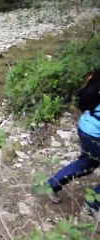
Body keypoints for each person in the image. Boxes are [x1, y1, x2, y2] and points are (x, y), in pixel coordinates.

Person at [48, 69, 100, 220]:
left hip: (85, 127)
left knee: (87, 163)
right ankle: (93, 204)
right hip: (95, 134)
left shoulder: (96, 81)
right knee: (88, 163)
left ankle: (51, 185)